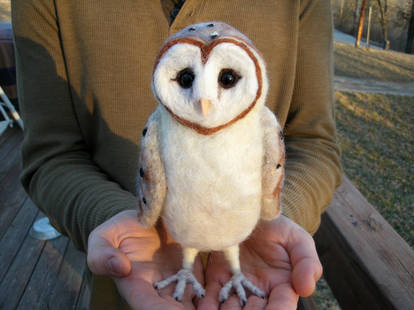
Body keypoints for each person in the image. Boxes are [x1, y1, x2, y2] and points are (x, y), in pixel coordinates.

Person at [12, 0, 341, 309]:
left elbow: (314, 142)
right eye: (186, 79)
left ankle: (237, 269)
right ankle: (186, 266)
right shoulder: (158, 125)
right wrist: (125, 219)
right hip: (134, 284)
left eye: (227, 79)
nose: (204, 99)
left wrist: (276, 215)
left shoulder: (263, 123)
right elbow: (51, 155)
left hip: (263, 277)